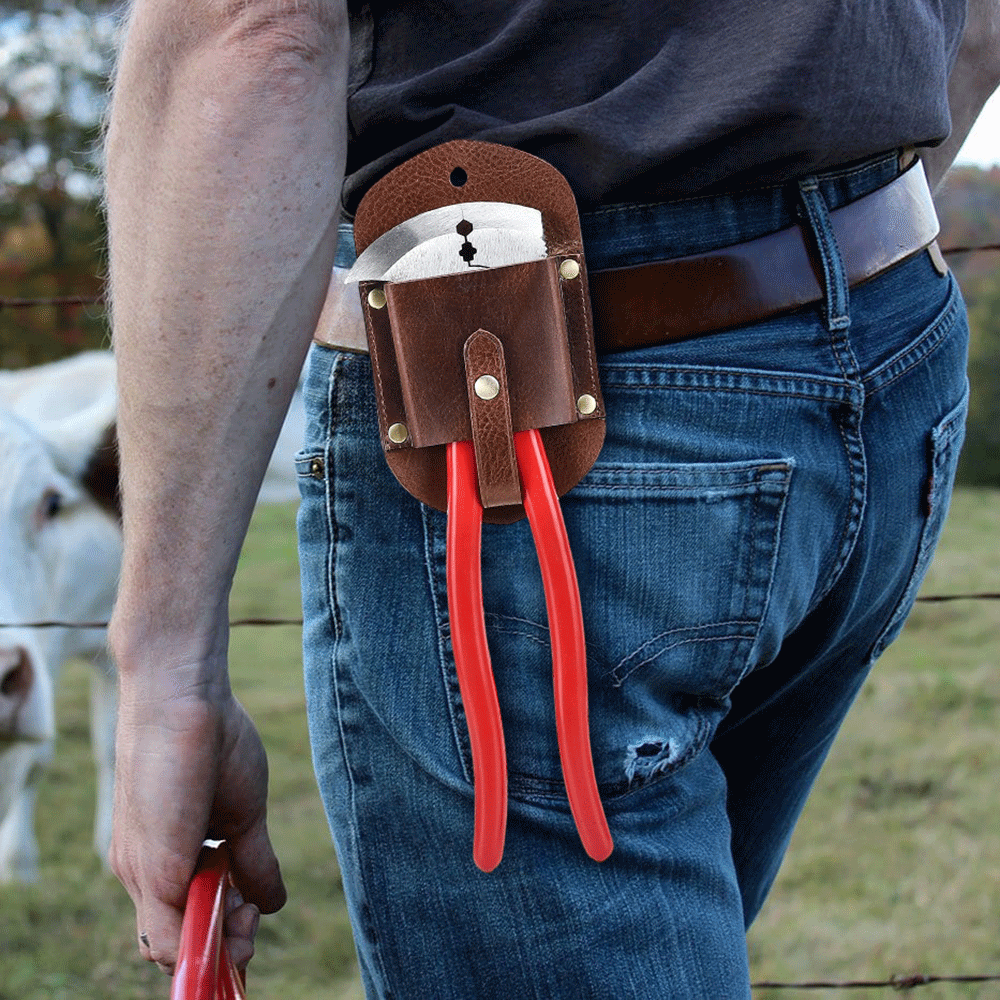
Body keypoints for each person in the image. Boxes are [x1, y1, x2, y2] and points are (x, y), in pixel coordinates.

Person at [103, 2, 1000, 996]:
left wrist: (166, 667)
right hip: (887, 335)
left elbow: (255, 25)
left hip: (556, 434)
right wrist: (816, 269)